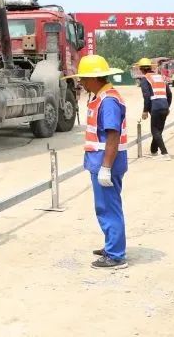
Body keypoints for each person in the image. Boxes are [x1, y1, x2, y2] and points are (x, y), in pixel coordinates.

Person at [66, 54, 129, 270]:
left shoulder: (108, 101)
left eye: (83, 79)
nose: (81, 83)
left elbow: (113, 136)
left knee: (109, 208)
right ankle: (112, 245)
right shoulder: (101, 97)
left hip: (107, 163)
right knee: (104, 207)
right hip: (101, 161)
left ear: (94, 78)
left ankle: (116, 255)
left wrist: (106, 168)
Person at [135, 57, 173, 159]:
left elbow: (146, 96)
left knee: (155, 131)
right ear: (151, 67)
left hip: (155, 106)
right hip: (164, 105)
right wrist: (167, 106)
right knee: (158, 131)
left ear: (141, 69)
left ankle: (165, 153)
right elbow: (169, 94)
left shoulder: (145, 79)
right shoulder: (160, 77)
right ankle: (154, 150)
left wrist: (145, 111)